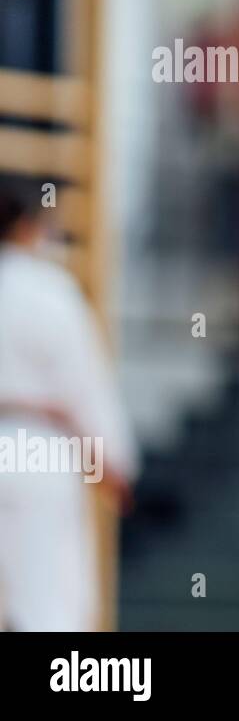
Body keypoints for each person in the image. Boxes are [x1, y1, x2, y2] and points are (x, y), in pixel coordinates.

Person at [0, 176, 139, 630]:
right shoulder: (51, 292)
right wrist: (115, 464)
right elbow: (84, 387)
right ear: (26, 225)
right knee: (48, 603)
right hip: (39, 449)